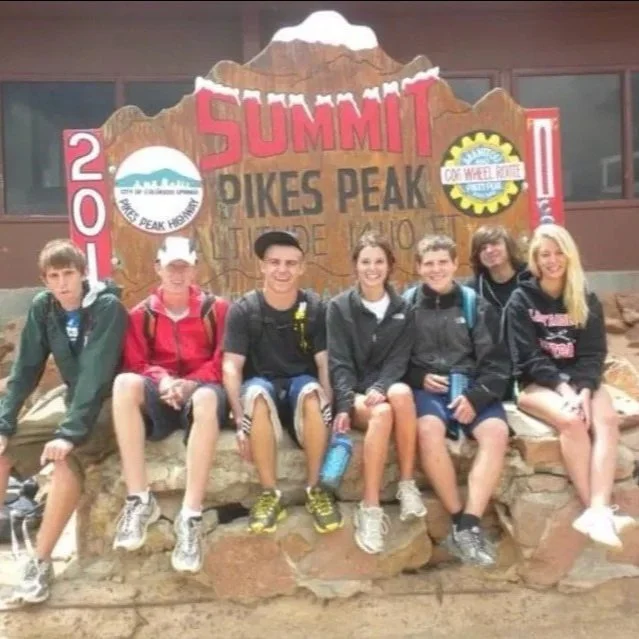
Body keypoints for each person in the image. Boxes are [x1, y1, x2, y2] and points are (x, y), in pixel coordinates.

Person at [0, 239, 128, 605]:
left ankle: (40, 563)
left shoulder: (107, 307)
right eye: (54, 276)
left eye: (68, 273)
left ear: (83, 274)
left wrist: (68, 433)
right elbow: (25, 369)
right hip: (74, 400)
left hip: (109, 401)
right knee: (5, 450)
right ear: (45, 280)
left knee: (65, 457)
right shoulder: (44, 307)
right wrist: (4, 423)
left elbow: (95, 375)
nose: (62, 283)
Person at [504, 223, 635, 548]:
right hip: (538, 383)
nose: (552, 260)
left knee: (606, 420)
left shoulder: (584, 297)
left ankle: (598, 511)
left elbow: (593, 353)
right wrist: (565, 390)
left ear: (569, 255)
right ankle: (595, 510)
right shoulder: (521, 299)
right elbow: (528, 358)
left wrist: (584, 390)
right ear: (536, 260)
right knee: (572, 420)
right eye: (544, 255)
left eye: (558, 253)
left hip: (581, 379)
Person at [111, 236, 229, 574]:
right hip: (162, 394)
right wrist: (163, 381)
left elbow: (223, 359)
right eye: (170, 267)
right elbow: (136, 362)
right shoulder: (141, 314)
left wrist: (192, 383)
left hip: (203, 391)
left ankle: (190, 515)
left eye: (183, 267)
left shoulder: (217, 309)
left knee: (206, 397)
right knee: (124, 384)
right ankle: (139, 498)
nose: (177, 274)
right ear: (157, 268)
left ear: (194, 269)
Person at [222, 230, 342, 535]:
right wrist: (239, 419)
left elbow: (324, 362)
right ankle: (269, 494)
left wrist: (328, 405)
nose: (282, 270)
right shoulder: (244, 310)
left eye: (290, 263)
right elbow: (231, 366)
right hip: (262, 386)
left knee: (312, 392)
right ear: (262, 266)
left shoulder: (315, 307)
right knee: (256, 394)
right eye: (274, 262)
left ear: (302, 268)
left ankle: (315, 490)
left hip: (300, 388)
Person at [404, 234, 511, 567]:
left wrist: (476, 397)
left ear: (454, 264)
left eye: (443, 262)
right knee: (427, 431)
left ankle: (469, 524)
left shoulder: (474, 304)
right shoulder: (406, 305)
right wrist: (417, 376)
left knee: (496, 433)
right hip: (429, 389)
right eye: (429, 263)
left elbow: (497, 361)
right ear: (418, 267)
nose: (436, 269)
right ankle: (455, 515)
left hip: (472, 385)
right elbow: (393, 358)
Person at [327, 231, 426, 554]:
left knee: (401, 394)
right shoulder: (339, 307)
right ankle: (369, 507)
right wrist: (344, 405)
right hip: (355, 395)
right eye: (366, 261)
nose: (372, 268)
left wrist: (381, 386)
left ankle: (407, 485)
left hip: (386, 386)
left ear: (389, 265)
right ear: (355, 265)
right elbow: (339, 362)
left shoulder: (403, 308)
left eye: (379, 261)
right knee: (382, 414)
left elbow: (399, 358)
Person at [468, 225, 532, 314]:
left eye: (494, 244)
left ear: (509, 246)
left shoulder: (531, 277)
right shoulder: (472, 289)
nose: (489, 250)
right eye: (483, 248)